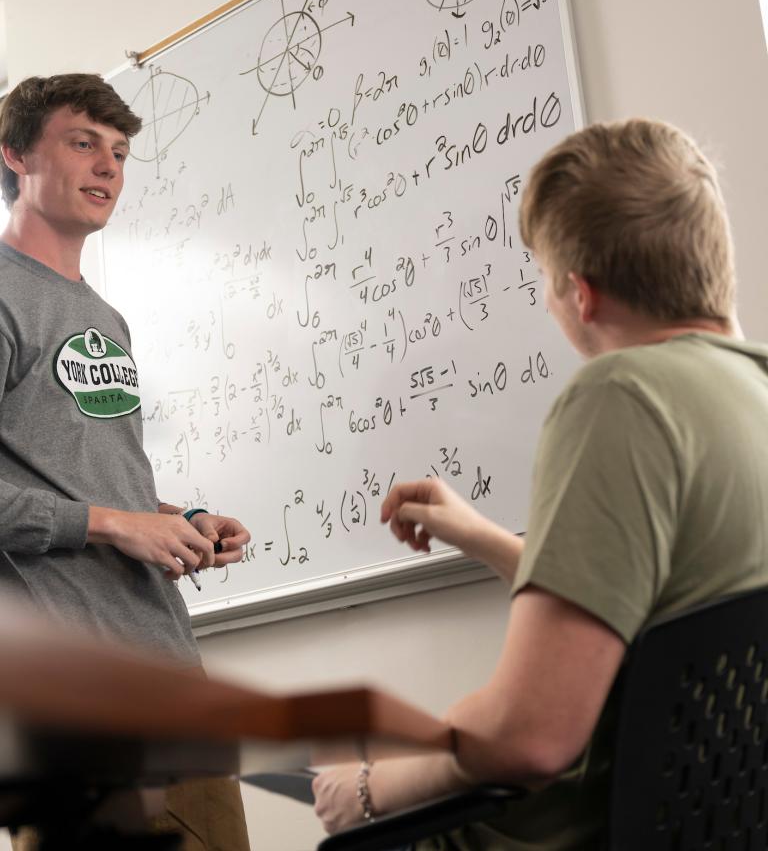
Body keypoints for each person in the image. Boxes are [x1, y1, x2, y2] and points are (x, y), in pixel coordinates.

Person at [312, 118, 768, 849]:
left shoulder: (623, 394)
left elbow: (532, 737)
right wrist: (485, 536)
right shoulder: (750, 391)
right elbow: (654, 614)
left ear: (581, 294)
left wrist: (367, 788)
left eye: (544, 284)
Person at [0, 74, 251, 849]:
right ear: (13, 155)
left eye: (120, 152)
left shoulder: (102, 317)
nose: (109, 167)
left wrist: (179, 522)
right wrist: (113, 526)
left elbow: (86, 477)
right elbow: (95, 514)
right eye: (84, 144)